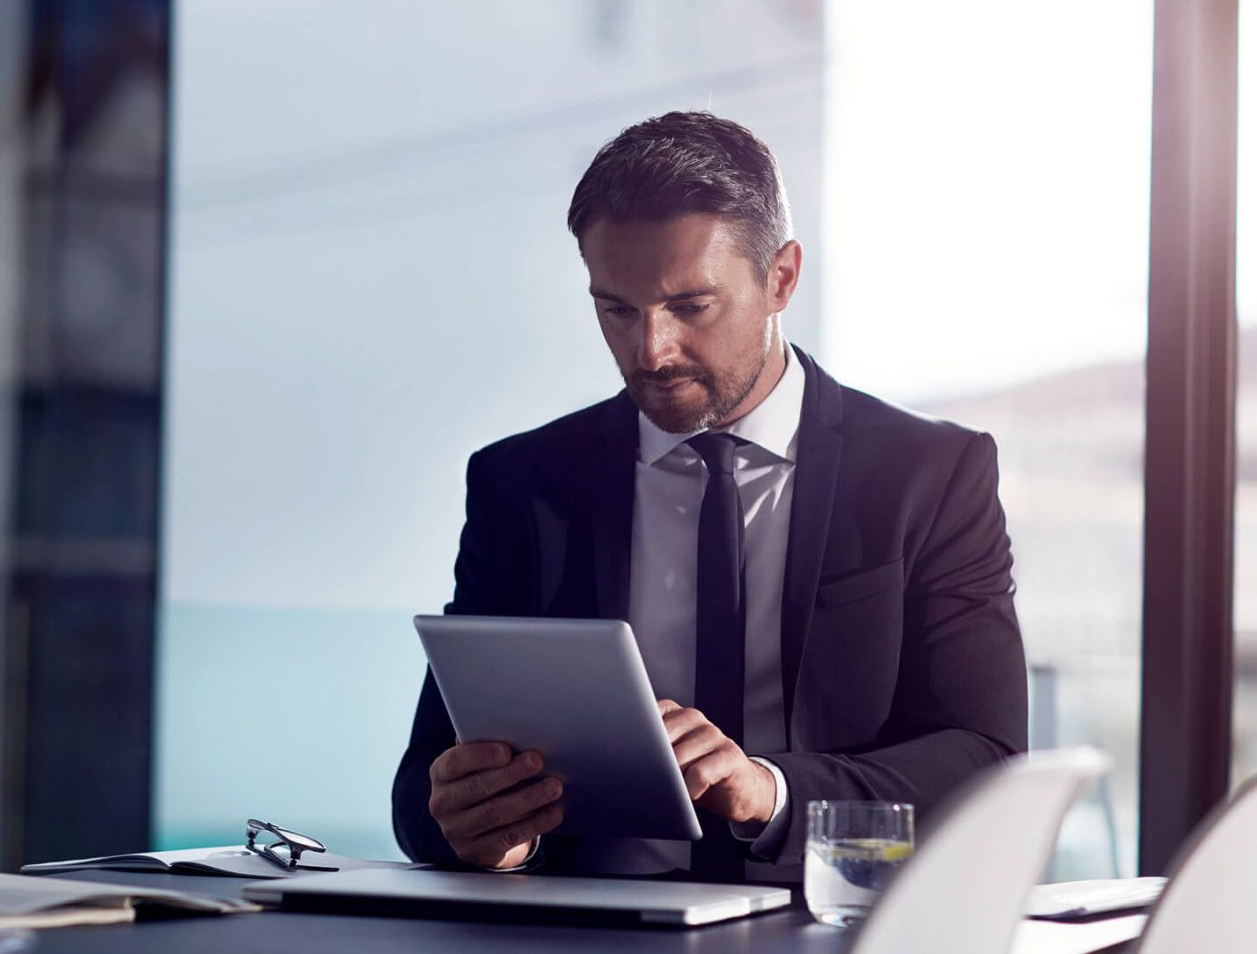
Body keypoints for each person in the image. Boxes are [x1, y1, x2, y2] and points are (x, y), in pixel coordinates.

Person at [390, 111, 1028, 882]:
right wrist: (484, 828)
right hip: (588, 932)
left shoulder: (928, 475)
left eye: (690, 306)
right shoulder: (524, 485)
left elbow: (985, 758)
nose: (650, 351)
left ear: (781, 278)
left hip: (822, 922)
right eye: (615, 309)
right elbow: (426, 785)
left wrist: (772, 792)